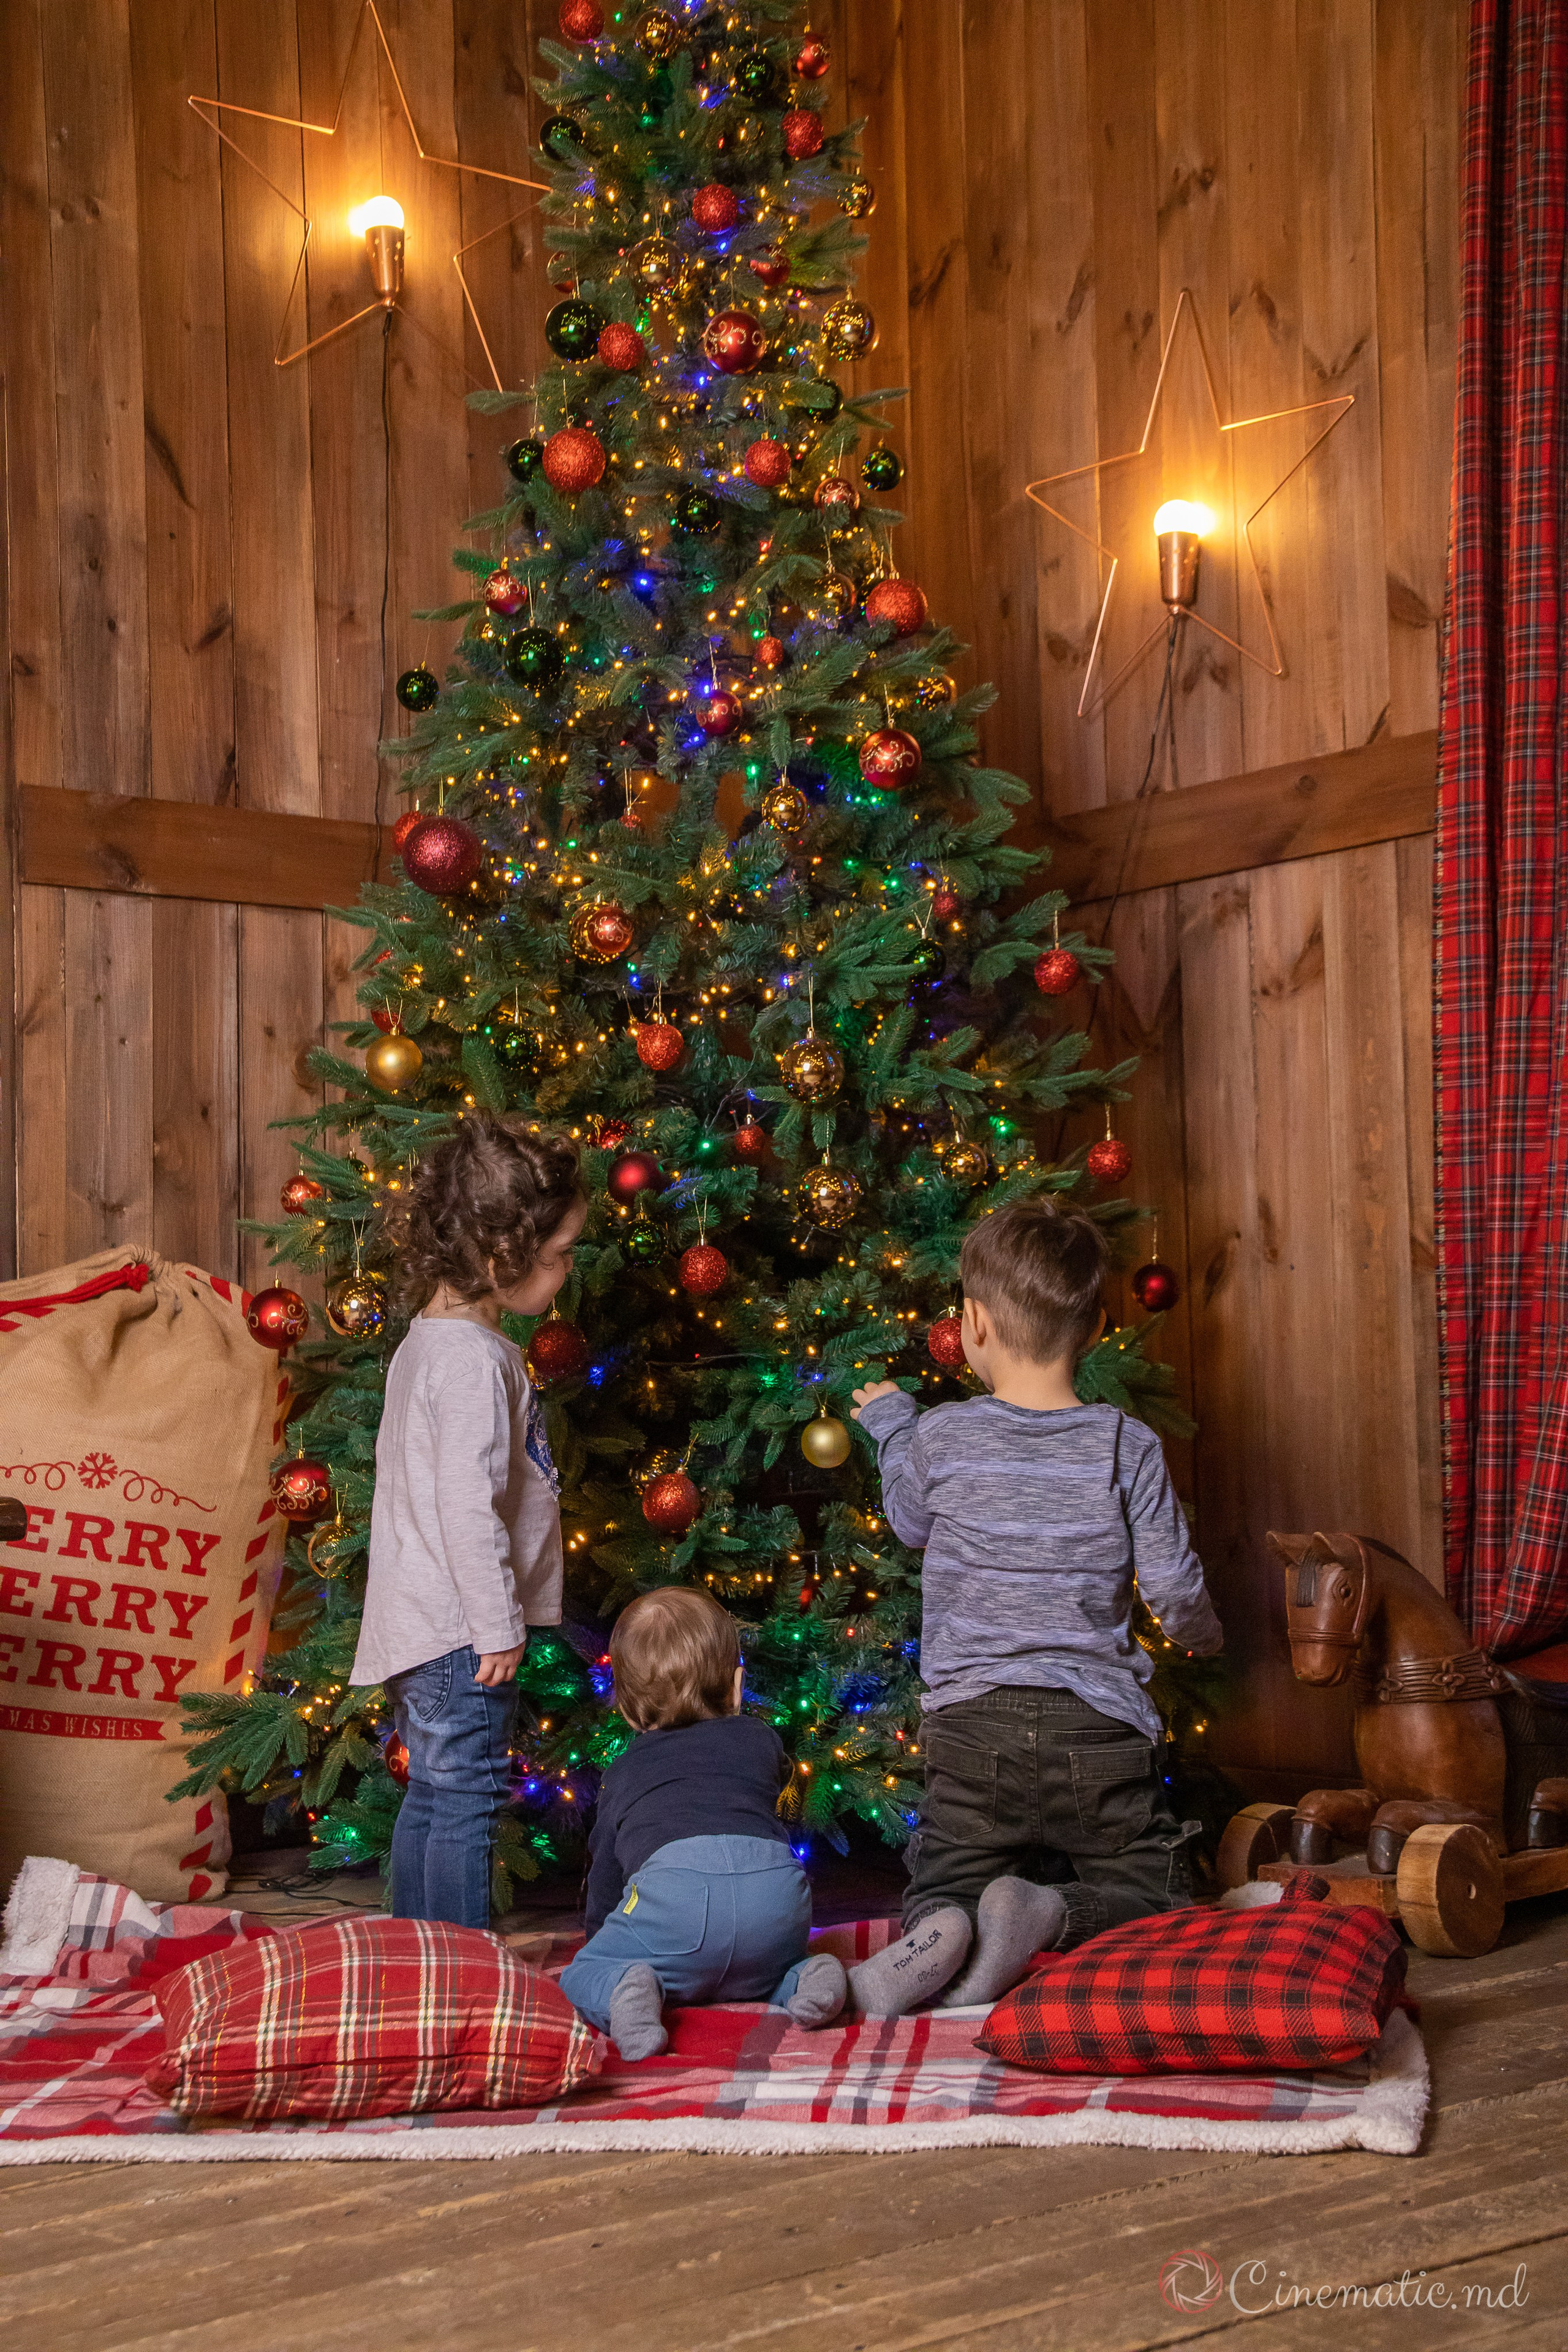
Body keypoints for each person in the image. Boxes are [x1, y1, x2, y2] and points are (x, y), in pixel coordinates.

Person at [848, 1196, 1223, 2016]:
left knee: (944, 1867)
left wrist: (890, 1424)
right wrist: (1205, 1636)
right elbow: (1172, 1586)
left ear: (973, 1324)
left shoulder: (942, 1438)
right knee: (1165, 1900)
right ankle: (1055, 1917)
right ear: (1092, 1332)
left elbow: (910, 1521)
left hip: (972, 1728)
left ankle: (940, 1924)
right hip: (1099, 1730)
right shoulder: (1128, 1444)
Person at [350, 1114, 586, 1930]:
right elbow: (464, 1504)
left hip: (431, 1621)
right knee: (467, 1799)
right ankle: (458, 1974)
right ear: (499, 1256)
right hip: (461, 1631)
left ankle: (423, 1960)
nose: (562, 1276)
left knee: (441, 1795)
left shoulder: (437, 1341)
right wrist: (496, 1625)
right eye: (556, 1258)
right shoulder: (471, 1362)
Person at [559, 1588, 848, 2059]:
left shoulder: (624, 1770)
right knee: (766, 1969)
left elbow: (607, 1877)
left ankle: (622, 1991)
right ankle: (807, 1977)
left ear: (628, 1709)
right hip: (775, 1901)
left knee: (580, 1974)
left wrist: (606, 1941)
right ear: (737, 1686)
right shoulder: (762, 1742)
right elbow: (763, 1821)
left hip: (674, 1904)